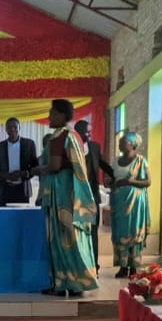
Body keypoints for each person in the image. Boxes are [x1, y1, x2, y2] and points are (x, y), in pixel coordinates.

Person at [33, 99, 98, 296]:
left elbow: (54, 166)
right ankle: (77, 283)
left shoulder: (58, 137)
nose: (49, 117)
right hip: (73, 193)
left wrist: (37, 170)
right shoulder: (74, 135)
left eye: (52, 113)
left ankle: (61, 284)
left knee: (60, 239)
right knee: (74, 237)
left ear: (62, 115)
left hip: (60, 194)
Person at [74, 119, 114, 270]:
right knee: (78, 231)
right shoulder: (71, 148)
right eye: (87, 131)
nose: (90, 134)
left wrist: (115, 176)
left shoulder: (95, 147)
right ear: (78, 132)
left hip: (92, 197)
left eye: (90, 131)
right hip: (76, 197)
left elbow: (104, 165)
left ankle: (94, 265)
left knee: (93, 231)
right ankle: (79, 265)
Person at [109, 132, 151, 277]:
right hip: (118, 202)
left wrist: (129, 181)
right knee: (119, 233)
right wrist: (110, 182)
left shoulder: (140, 161)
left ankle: (133, 267)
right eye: (120, 142)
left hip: (134, 203)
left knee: (133, 233)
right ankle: (122, 266)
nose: (120, 144)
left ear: (133, 144)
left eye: (123, 142)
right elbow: (111, 179)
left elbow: (148, 182)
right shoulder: (115, 161)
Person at [0, 118, 39, 206]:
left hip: (22, 189)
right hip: (4, 190)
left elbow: (35, 167)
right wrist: (4, 176)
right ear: (6, 129)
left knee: (21, 214)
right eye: (9, 127)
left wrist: (23, 174)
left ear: (19, 128)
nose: (12, 129)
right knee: (3, 214)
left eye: (15, 127)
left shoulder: (29, 144)